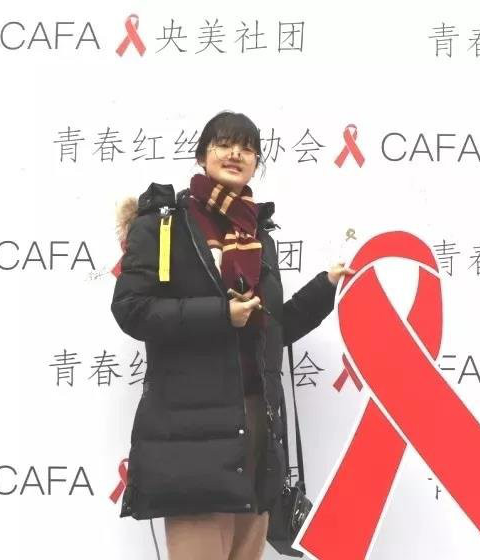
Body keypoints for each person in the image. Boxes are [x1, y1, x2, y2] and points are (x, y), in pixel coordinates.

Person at [111, 110, 354, 560]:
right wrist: (220, 315)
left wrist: (326, 288)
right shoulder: (164, 225)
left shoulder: (258, 233)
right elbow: (132, 310)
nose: (235, 154)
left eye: (247, 147)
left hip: (256, 422)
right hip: (192, 430)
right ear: (202, 155)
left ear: (257, 162)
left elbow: (271, 330)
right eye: (223, 144)